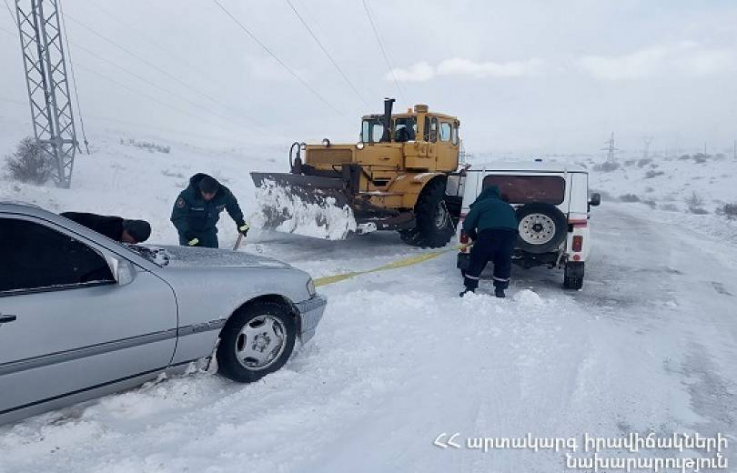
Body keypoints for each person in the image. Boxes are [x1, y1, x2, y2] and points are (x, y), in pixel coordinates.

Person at [460, 185, 518, 298]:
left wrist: (474, 237)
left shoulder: (481, 204)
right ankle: (500, 290)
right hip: (509, 235)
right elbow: (515, 223)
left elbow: (467, 224)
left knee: (477, 260)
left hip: (488, 234)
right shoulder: (508, 206)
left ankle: (470, 289)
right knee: (503, 261)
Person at [171, 173, 249, 248]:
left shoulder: (223, 194)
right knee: (191, 258)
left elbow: (233, 206)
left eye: (211, 194)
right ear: (200, 190)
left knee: (212, 258)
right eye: (205, 193)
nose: (208, 196)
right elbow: (177, 217)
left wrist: (240, 222)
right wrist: (187, 233)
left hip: (209, 232)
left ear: (216, 191)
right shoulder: (188, 196)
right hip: (189, 232)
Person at [61, 212, 151, 244]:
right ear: (127, 231)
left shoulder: (117, 225)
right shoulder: (109, 231)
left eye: (138, 242)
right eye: (134, 240)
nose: (133, 243)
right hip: (62, 226)